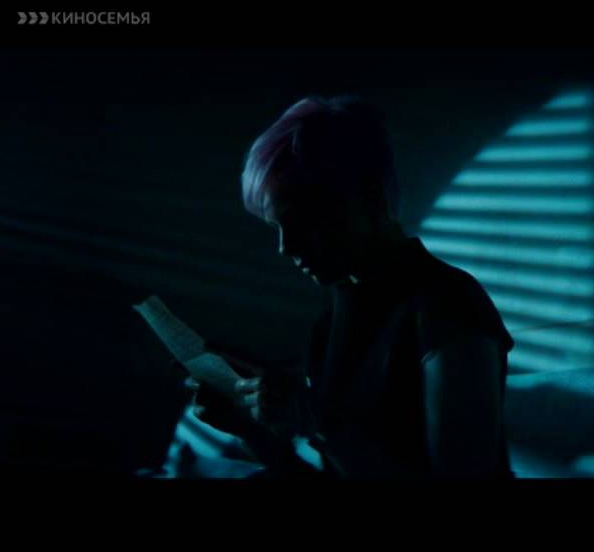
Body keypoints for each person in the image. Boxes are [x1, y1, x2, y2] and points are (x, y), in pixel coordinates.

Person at [191, 95, 515, 478]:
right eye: (277, 227)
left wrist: (314, 419)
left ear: (370, 196)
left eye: (302, 220)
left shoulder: (449, 303)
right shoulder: (333, 321)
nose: (285, 247)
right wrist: (250, 428)